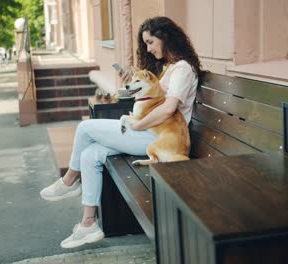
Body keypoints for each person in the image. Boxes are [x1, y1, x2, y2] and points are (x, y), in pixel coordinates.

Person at [40, 16, 201, 249]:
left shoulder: (183, 69)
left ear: (166, 38)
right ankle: (88, 224)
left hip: (158, 137)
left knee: (85, 128)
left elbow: (168, 108)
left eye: (151, 42)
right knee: (91, 154)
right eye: (145, 43)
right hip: (148, 132)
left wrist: (137, 125)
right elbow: (152, 97)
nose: (148, 48)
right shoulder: (168, 68)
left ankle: (69, 181)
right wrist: (132, 82)